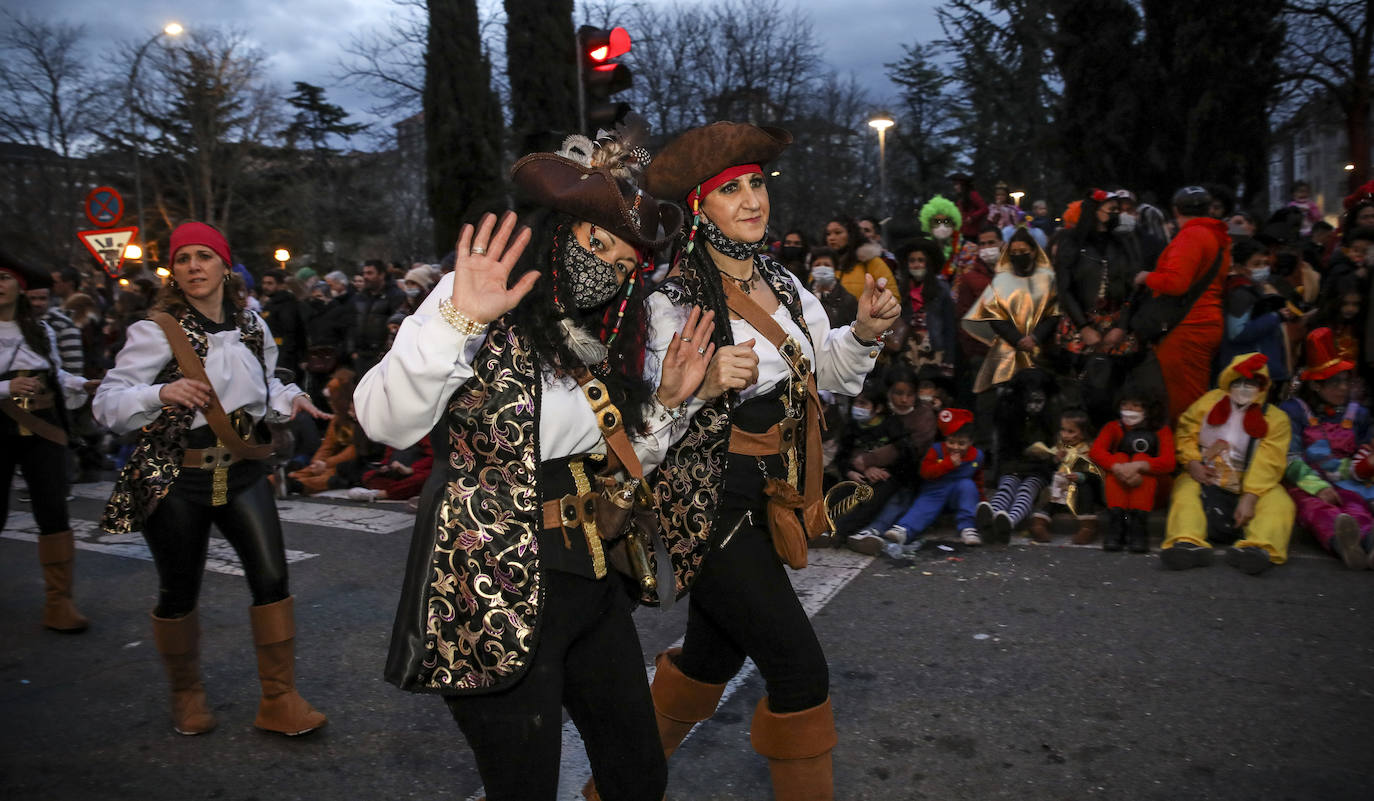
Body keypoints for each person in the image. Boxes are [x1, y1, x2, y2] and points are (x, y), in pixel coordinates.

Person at [355, 135, 713, 801]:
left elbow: (623, 453)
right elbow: (383, 420)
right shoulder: (472, 300)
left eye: (622, 259)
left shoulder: (605, 336)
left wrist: (666, 403)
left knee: (639, 774)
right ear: (556, 231)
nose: (604, 264)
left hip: (591, 577)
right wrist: (458, 318)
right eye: (595, 240)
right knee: (523, 787)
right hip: (489, 588)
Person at [639, 120, 896, 800]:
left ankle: (613, 787)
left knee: (711, 654)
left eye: (757, 184)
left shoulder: (783, 281)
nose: (754, 199)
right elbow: (644, 426)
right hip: (710, 506)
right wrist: (699, 385)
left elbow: (830, 371)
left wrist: (864, 331)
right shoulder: (672, 300)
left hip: (770, 496)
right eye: (732, 190)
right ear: (700, 208)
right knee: (800, 670)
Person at [94, 222, 332, 736]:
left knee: (272, 579)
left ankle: (279, 698)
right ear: (173, 272)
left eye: (205, 256)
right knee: (179, 590)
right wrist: (158, 395)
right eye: (183, 259)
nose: (194, 266)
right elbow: (106, 404)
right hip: (178, 478)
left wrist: (290, 398)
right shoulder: (154, 330)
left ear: (226, 265)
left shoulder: (252, 324)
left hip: (243, 472)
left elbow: (264, 384)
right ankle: (187, 694)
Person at [1, 251, 95, 632]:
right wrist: (7, 386)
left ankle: (59, 602)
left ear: (20, 288)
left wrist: (81, 383)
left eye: (5, 277)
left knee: (53, 509)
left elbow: (56, 373)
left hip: (45, 426)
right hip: (0, 425)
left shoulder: (41, 330)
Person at [1161, 353, 1294, 575]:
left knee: (1280, 502)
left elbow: (1270, 462)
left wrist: (1250, 496)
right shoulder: (1208, 402)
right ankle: (1187, 543)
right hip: (1205, 472)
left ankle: (1258, 548)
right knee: (1184, 493)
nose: (1243, 388)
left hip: (1250, 480)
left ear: (1262, 386)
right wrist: (1192, 462)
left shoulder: (1276, 418)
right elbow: (1186, 431)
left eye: (1251, 383)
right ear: (1228, 382)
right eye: (1238, 382)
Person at [1134, 186, 1230, 422]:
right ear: (1209, 209)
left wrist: (1145, 277)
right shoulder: (1218, 236)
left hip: (1187, 326)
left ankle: (1184, 452)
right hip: (1207, 321)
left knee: (1182, 400)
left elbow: (1176, 283)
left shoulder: (1191, 236)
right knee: (1194, 393)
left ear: (1175, 210)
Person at [1281, 328, 1374, 570]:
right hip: (1306, 484)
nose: (1343, 388)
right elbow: (1289, 457)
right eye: (1335, 382)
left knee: (1356, 506)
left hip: (1349, 481)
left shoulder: (1358, 414)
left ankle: (1371, 544)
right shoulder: (1294, 411)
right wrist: (1318, 487)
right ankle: (1343, 544)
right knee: (1317, 510)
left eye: (1345, 380)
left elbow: (1367, 451)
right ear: (1315, 387)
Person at [1052, 189, 1143, 425]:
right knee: (1079, 390)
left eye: (1120, 210)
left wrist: (1121, 326)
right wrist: (1083, 327)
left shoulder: (1125, 241)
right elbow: (1064, 289)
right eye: (1112, 210)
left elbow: (1135, 286)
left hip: (1117, 323)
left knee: (1115, 388)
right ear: (1095, 211)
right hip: (1080, 323)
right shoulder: (1070, 240)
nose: (1118, 215)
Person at [1090, 384, 1175, 553]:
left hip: (1153, 490)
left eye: (1135, 405)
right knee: (1119, 457)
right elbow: (1096, 452)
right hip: (1119, 484)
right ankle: (1117, 526)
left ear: (1147, 408)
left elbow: (1169, 462)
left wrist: (1140, 465)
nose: (1129, 409)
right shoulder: (1113, 427)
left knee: (1141, 457)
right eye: (1125, 405)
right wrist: (1118, 467)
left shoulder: (1161, 430)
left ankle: (1138, 528)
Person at [883, 408, 984, 548]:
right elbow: (925, 472)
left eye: (961, 443)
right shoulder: (936, 450)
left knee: (967, 485)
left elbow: (978, 481)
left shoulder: (977, 456)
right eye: (951, 442)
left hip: (958, 496)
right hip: (935, 490)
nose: (955, 447)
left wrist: (982, 502)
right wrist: (947, 464)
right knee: (926, 504)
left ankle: (968, 529)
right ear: (945, 439)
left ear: (971, 442)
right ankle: (904, 529)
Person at [1218, 238, 1295, 396]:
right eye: (1256, 264)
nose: (1263, 269)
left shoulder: (1257, 289)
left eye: (1265, 263)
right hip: (1247, 375)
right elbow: (1236, 332)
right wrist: (1275, 317)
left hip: (1258, 372)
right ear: (1240, 268)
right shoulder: (1240, 293)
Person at [1025, 408, 1102, 544]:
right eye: (1063, 430)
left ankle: (1088, 527)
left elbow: (1097, 474)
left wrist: (1081, 476)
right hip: (1061, 493)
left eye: (1071, 431)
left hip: (1079, 495)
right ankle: (1039, 524)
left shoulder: (1089, 450)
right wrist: (1054, 460)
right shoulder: (1060, 448)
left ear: (1083, 433)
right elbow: (1047, 470)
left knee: (1086, 489)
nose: (1065, 435)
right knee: (1049, 493)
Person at [823, 215, 898, 302]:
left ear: (851, 235)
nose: (831, 238)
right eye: (828, 234)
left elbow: (893, 298)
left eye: (838, 232)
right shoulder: (819, 263)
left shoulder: (870, 261)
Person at [350, 259, 405, 375]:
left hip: (382, 356)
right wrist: (352, 350)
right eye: (364, 273)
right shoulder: (360, 297)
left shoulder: (396, 296)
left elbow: (397, 325)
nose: (365, 277)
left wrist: (386, 352)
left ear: (381, 275)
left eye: (370, 273)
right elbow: (351, 324)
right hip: (361, 355)